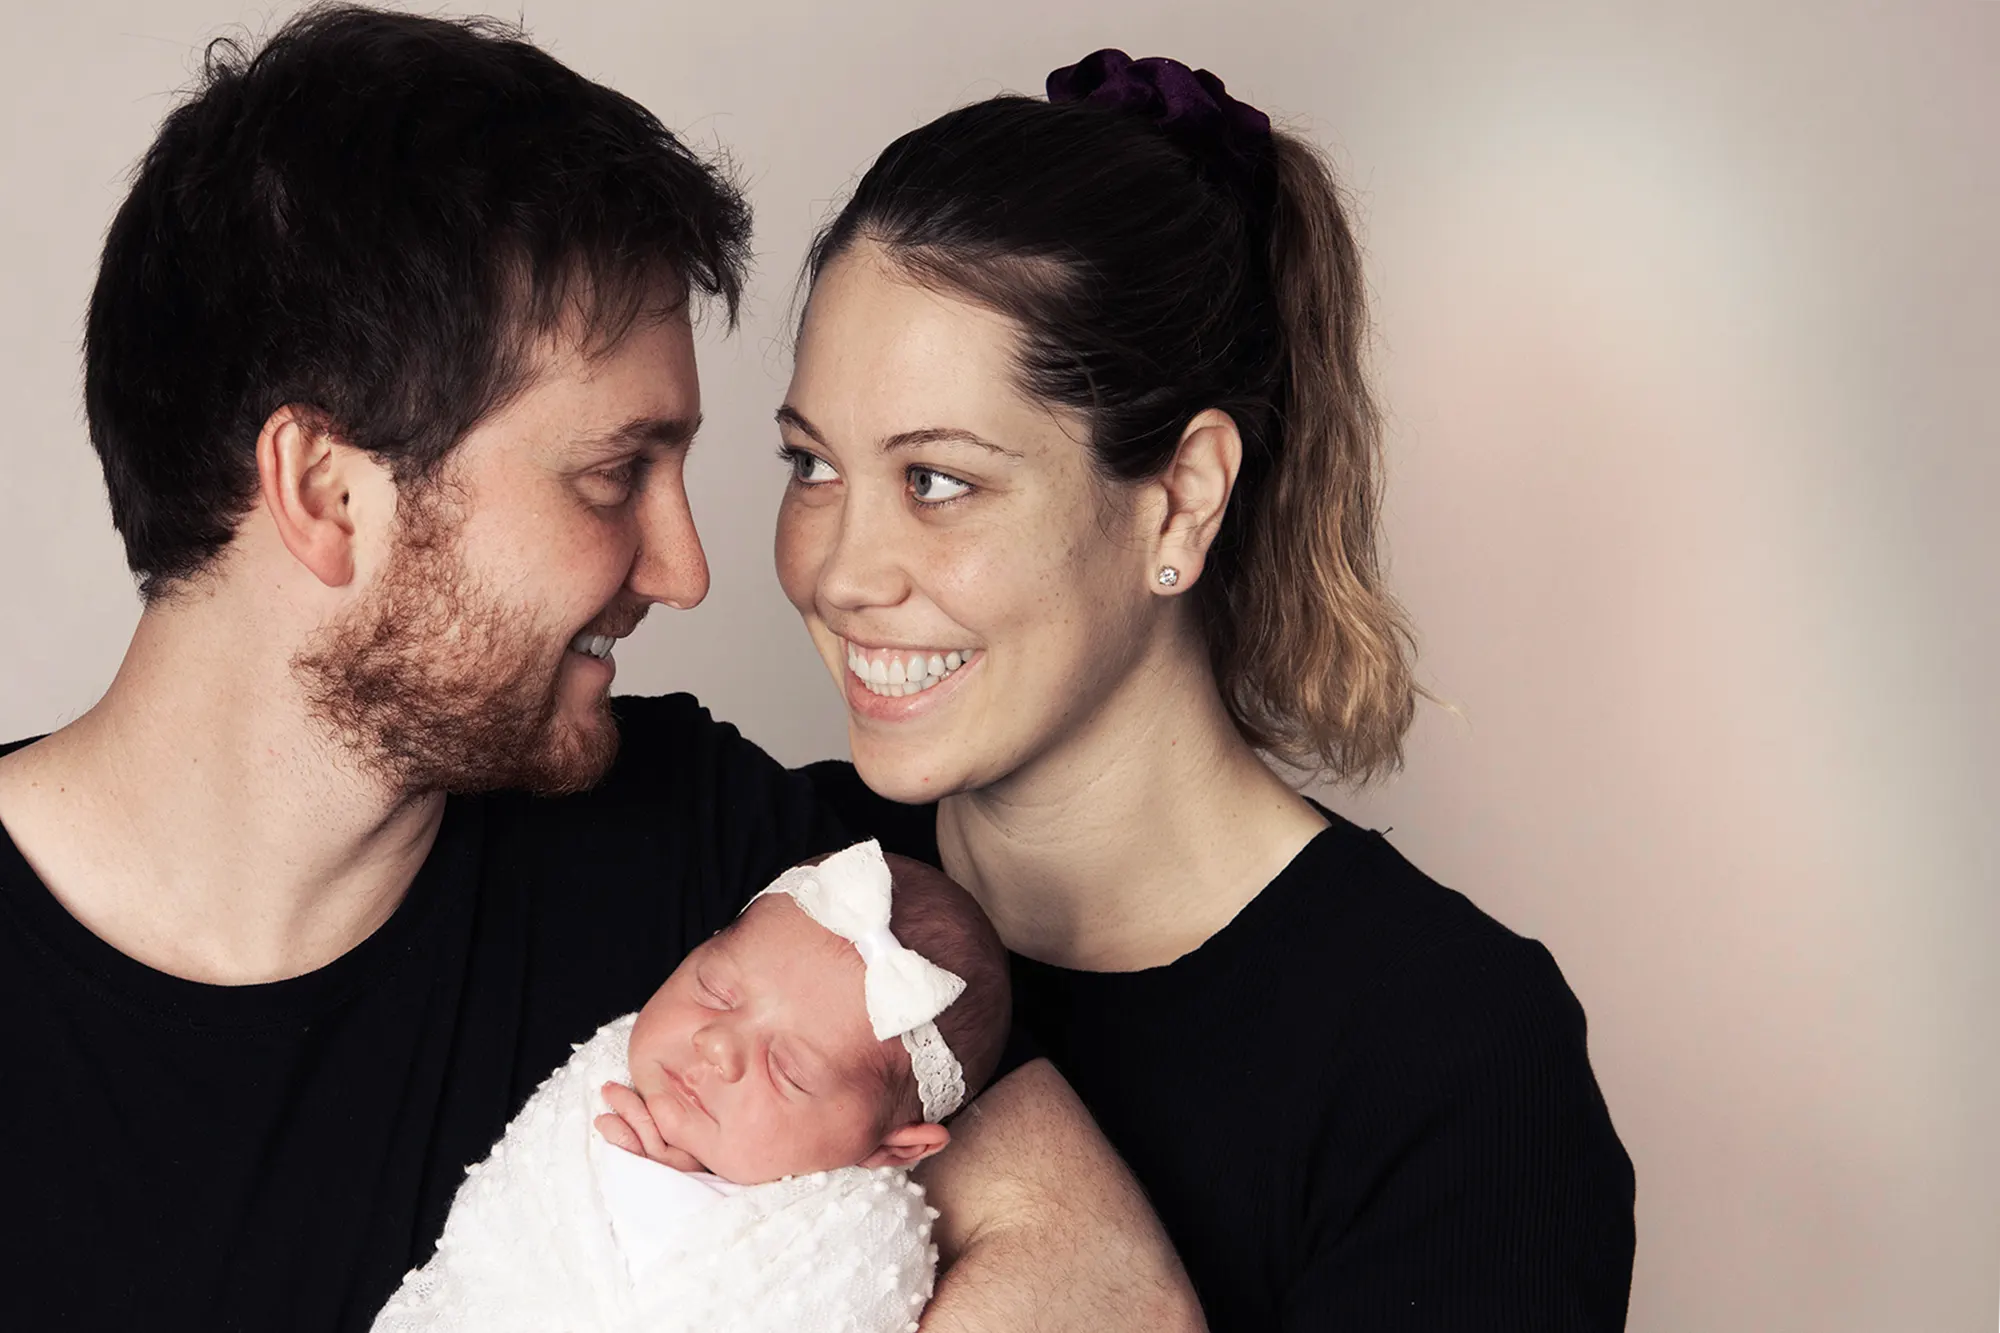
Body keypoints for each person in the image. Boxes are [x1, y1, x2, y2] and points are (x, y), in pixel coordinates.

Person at [0, 13, 1199, 1332]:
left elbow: (1101, 1283)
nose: (687, 569)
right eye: (614, 473)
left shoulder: (705, 853)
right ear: (326, 490)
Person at [776, 49, 1638, 1331]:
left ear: (1179, 498)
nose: (839, 571)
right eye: (811, 465)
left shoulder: (1447, 1060)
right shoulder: (757, 871)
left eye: (938, 478)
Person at [373, 840, 1011, 1333]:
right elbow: (491, 1242)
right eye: (715, 991)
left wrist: (662, 1194)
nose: (717, 1043)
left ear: (895, 1148)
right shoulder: (609, 1070)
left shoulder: (861, 1239)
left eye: (789, 1069)